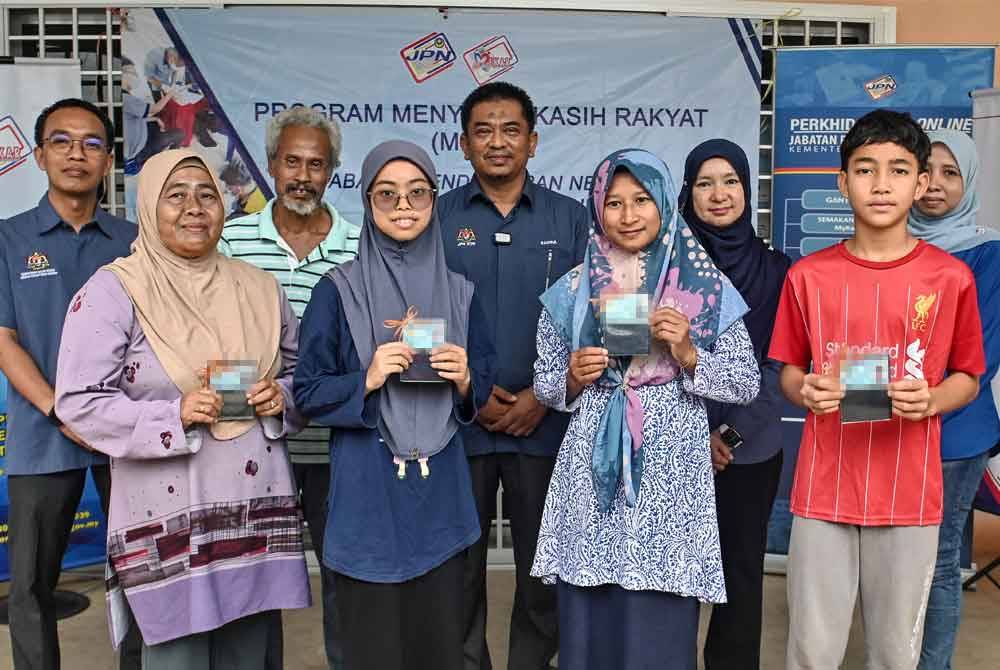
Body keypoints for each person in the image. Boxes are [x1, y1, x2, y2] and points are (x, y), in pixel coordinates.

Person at [54, 149, 312, 669]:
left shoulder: (260, 289)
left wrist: (280, 396)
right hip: (169, 523)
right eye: (177, 195)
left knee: (248, 654)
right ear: (149, 206)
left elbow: (304, 377)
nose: (195, 208)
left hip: (253, 516)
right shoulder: (115, 291)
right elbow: (79, 402)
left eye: (207, 195)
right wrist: (172, 416)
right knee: (178, 657)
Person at [769, 110, 985, 670]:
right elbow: (788, 371)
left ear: (920, 183)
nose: (881, 184)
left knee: (895, 652)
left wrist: (933, 400)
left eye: (898, 170)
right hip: (823, 490)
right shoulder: (809, 276)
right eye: (865, 170)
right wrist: (807, 390)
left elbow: (968, 376)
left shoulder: (950, 277)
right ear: (843, 182)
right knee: (812, 650)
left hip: (910, 492)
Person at [530, 148, 760, 669]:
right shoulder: (571, 289)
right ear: (597, 208)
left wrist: (687, 353)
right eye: (614, 202)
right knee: (591, 592)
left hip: (671, 455)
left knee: (659, 600)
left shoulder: (703, 287)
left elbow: (745, 382)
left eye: (641, 200)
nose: (628, 215)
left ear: (663, 204)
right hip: (593, 450)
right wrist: (572, 376)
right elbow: (544, 384)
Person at [294, 140, 495, 670]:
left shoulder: (462, 292)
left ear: (434, 200)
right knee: (371, 646)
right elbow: (308, 390)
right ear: (366, 202)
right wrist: (367, 378)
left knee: (444, 644)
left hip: (442, 497)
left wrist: (467, 381)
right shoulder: (336, 291)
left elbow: (487, 384)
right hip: (368, 494)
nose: (403, 206)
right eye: (387, 195)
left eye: (417, 193)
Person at [437, 81, 588, 670]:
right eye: (483, 131)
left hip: (543, 427)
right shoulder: (439, 216)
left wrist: (542, 398)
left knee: (541, 573)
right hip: (459, 425)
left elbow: (589, 321)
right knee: (458, 571)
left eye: (510, 130)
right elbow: (421, 312)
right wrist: (472, 390)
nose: (497, 143)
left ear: (532, 141)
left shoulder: (571, 220)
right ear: (464, 144)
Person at [219, 106, 359, 670]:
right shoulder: (230, 241)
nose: (303, 175)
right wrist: (233, 426)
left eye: (316, 164)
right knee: (251, 581)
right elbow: (216, 341)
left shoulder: (358, 246)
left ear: (333, 172)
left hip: (335, 448)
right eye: (291, 161)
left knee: (345, 580)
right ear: (270, 164)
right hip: (253, 446)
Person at [0, 98, 138, 670]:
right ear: (38, 155)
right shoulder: (8, 239)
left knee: (139, 571)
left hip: (128, 433)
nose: (76, 154)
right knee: (31, 584)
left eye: (91, 144)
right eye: (61, 141)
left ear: (108, 161)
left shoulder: (134, 239)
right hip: (42, 432)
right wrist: (61, 410)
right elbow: (3, 338)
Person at [679, 139, 791, 670]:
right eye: (705, 183)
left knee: (740, 575)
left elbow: (781, 369)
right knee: (669, 573)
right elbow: (651, 363)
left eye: (730, 181)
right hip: (672, 446)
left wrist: (728, 437)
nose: (719, 194)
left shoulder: (777, 272)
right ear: (688, 193)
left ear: (748, 189)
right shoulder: (665, 270)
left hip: (748, 450)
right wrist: (691, 433)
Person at [907, 129, 1000, 670]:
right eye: (927, 172)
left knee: (938, 563)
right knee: (891, 562)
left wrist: (912, 396)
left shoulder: (988, 248)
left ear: (968, 183)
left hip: (956, 431)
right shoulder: (890, 242)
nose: (936, 186)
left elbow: (981, 352)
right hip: (887, 424)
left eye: (951, 174)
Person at [121, 57, 182, 174]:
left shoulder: (123, 97)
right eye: (131, 72)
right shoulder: (125, 98)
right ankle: (163, 162)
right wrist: (169, 94)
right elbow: (155, 108)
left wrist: (153, 118)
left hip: (138, 139)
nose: (134, 76)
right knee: (178, 134)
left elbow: (132, 117)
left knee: (159, 126)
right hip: (138, 149)